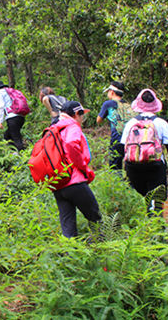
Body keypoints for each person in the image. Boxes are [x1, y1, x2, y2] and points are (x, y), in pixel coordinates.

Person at [120, 89, 168, 215]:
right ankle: (156, 230)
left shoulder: (131, 123)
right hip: (155, 167)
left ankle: (139, 230)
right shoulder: (161, 123)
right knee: (155, 203)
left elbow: (121, 148)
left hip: (133, 168)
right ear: (155, 106)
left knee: (138, 203)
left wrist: (122, 172)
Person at [52, 101, 102, 238]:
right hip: (74, 181)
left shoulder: (54, 128)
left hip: (58, 183)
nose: (82, 119)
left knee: (67, 224)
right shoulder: (72, 127)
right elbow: (70, 144)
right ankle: (102, 250)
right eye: (81, 115)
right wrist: (83, 168)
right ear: (76, 114)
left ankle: (70, 255)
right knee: (95, 216)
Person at [96, 81, 131, 170]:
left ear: (112, 92)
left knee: (115, 165)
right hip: (130, 139)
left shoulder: (108, 104)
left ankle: (117, 182)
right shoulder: (127, 105)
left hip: (117, 138)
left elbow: (98, 120)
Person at [0, 80, 26, 151]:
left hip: (12, 117)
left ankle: (22, 154)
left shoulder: (0, 93)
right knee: (7, 135)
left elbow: (1, 106)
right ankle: (14, 152)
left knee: (16, 137)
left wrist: (0, 121)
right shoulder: (11, 91)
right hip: (21, 116)